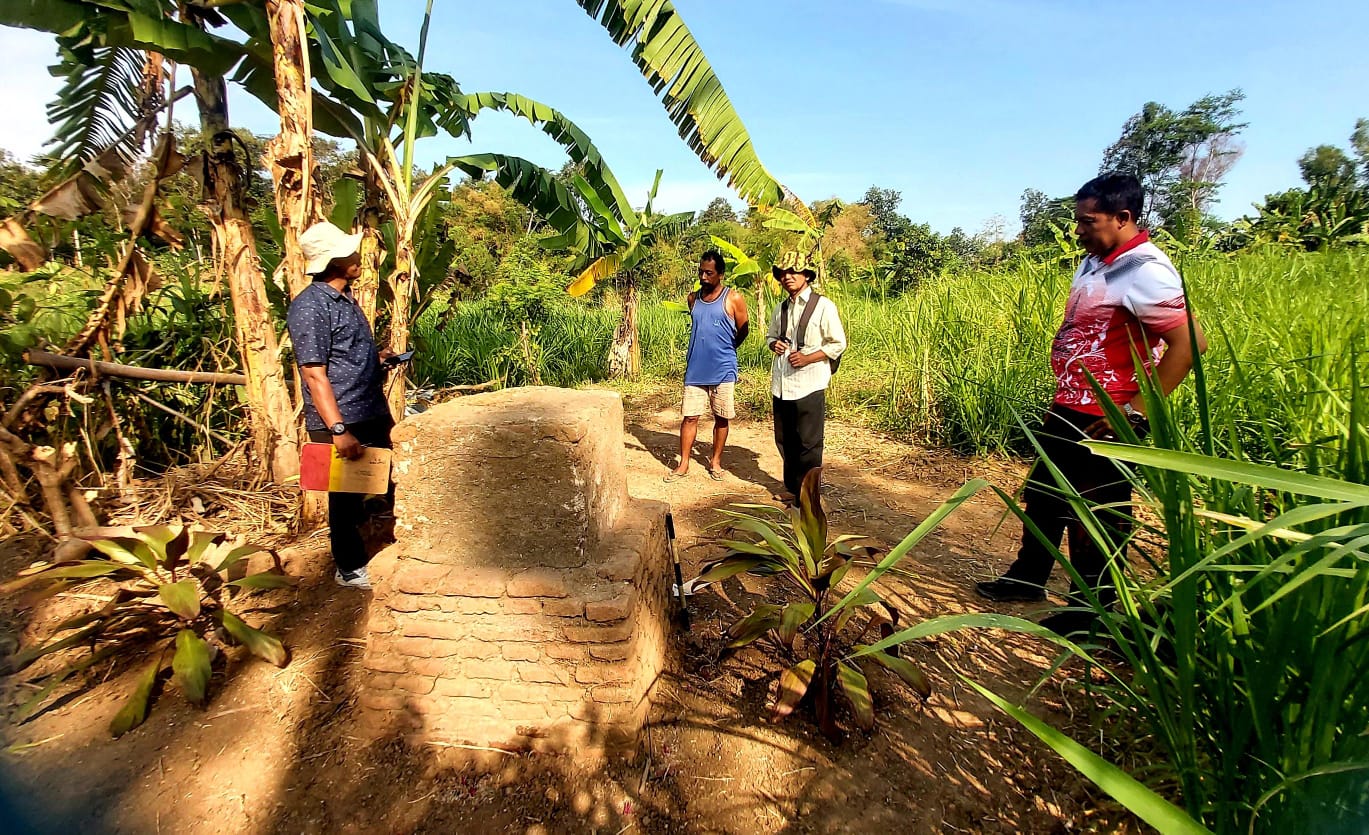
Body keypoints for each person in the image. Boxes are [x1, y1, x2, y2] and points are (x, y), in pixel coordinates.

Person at [975, 172, 1207, 634]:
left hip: (1109, 416)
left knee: (1096, 513)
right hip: (1071, 405)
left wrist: (1136, 411)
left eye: (1088, 222)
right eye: (1078, 221)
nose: (1078, 231)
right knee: (1042, 496)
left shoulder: (1146, 270)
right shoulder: (1095, 261)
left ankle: (1091, 612)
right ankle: (1028, 576)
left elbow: (1190, 344)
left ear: (1123, 218)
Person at [286, 221, 396, 590]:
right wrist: (338, 430)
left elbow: (341, 357)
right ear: (333, 260)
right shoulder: (310, 307)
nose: (356, 256)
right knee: (345, 499)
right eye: (349, 252)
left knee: (388, 481)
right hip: (341, 417)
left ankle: (380, 541)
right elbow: (314, 373)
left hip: (369, 408)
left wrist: (376, 358)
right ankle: (349, 567)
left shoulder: (346, 299)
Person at [765, 250, 846, 502]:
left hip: (809, 383)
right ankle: (792, 489)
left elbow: (837, 343)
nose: (788, 277)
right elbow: (771, 336)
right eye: (784, 273)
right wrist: (774, 345)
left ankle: (809, 498)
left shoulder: (823, 306)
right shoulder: (781, 308)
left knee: (808, 444)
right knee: (785, 439)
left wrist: (808, 358)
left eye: (794, 272)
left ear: (806, 276)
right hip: (782, 383)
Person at [666, 250, 750, 482]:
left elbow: (743, 330)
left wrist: (727, 349)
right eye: (701, 272)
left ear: (720, 274)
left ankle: (715, 462)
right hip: (696, 369)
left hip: (723, 369)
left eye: (709, 273)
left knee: (721, 417)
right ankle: (683, 464)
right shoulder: (693, 299)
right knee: (689, 417)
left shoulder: (733, 298)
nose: (703, 277)